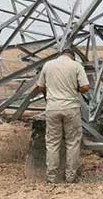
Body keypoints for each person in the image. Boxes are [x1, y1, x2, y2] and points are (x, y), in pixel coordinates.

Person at [34, 47, 90, 184]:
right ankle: (70, 177)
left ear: (61, 54)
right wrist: (74, 88)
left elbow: (40, 86)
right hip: (71, 108)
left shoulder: (48, 65)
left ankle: (51, 177)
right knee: (72, 142)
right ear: (72, 56)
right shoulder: (76, 66)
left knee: (53, 142)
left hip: (52, 108)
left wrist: (48, 95)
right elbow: (85, 87)